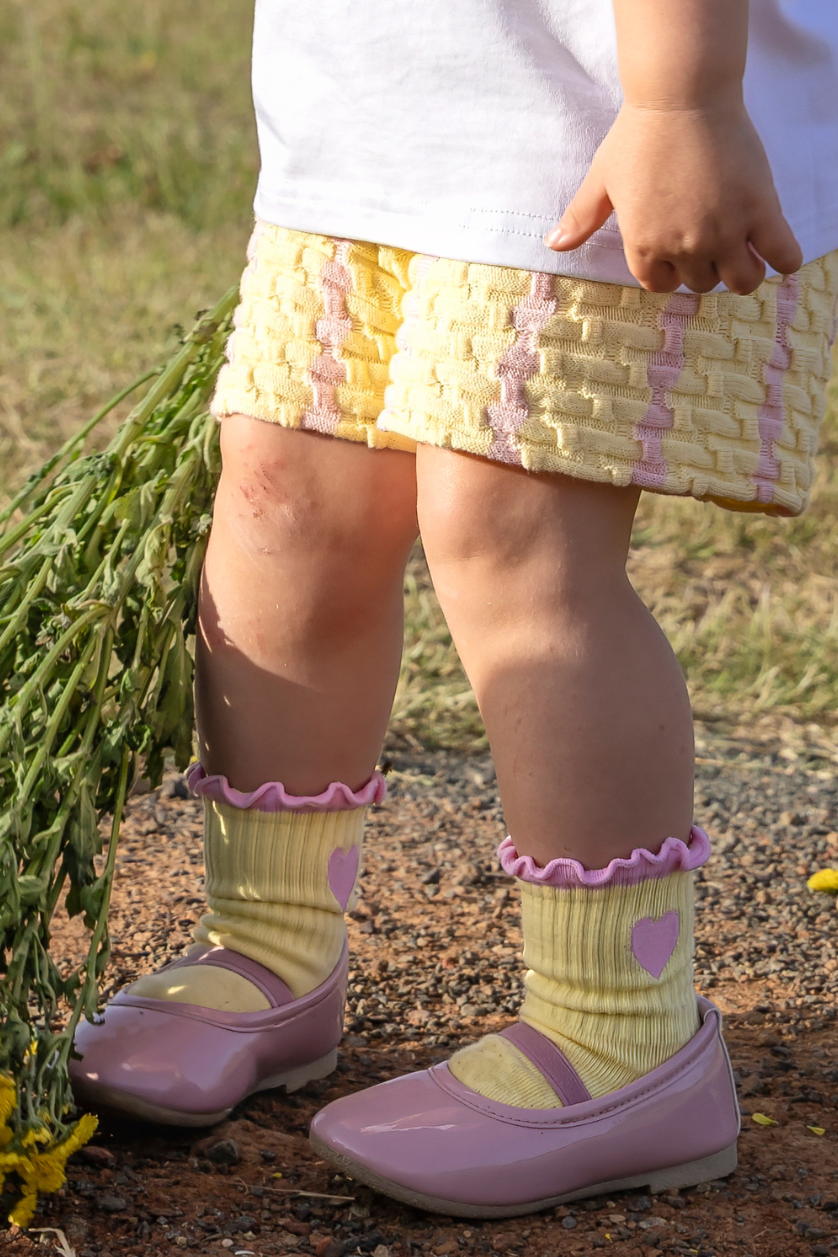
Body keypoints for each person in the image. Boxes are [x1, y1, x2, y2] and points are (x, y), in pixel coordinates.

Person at [71, 0, 838, 1217]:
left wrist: (679, 98)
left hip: (589, 121)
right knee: (281, 504)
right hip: (365, 109)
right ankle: (269, 947)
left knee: (514, 537)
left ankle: (621, 1037)